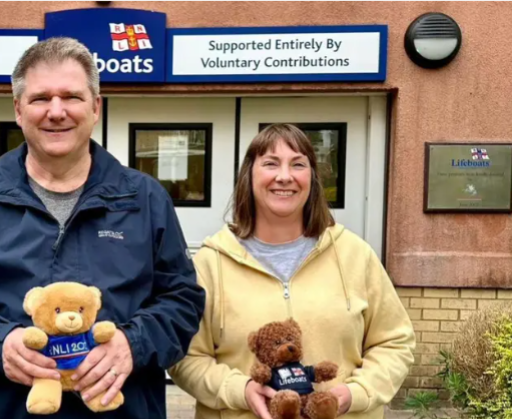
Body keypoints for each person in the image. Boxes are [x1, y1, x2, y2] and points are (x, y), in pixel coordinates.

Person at [0, 37, 205, 419]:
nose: (56, 111)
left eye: (72, 97)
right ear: (18, 109)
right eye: (41, 98)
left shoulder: (145, 199)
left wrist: (134, 343)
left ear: (95, 107)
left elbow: (183, 301)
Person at [167, 124, 415, 419]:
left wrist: (355, 394)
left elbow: (395, 343)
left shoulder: (355, 254)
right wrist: (240, 389)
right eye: (271, 163)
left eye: (298, 164)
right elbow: (184, 357)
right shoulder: (210, 263)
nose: (284, 176)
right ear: (250, 175)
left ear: (312, 178)